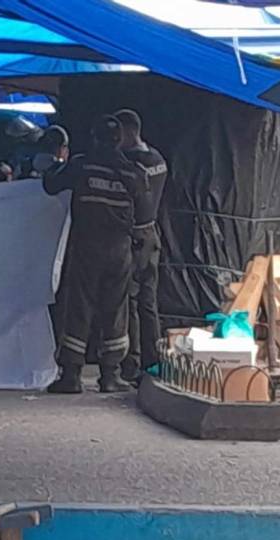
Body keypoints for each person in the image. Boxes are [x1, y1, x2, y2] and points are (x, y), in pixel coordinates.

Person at [43, 115, 148, 394]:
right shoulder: (133, 172)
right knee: (115, 310)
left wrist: (52, 164)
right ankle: (110, 375)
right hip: (120, 249)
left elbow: (50, 185)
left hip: (88, 247)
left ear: (95, 137)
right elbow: (145, 205)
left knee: (80, 307)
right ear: (120, 140)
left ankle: (71, 375)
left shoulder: (81, 165)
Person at [114, 109, 169, 381]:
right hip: (152, 237)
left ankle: (131, 363)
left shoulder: (130, 165)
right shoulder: (158, 159)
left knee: (129, 302)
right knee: (148, 301)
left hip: (133, 240)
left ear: (126, 132)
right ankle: (153, 360)